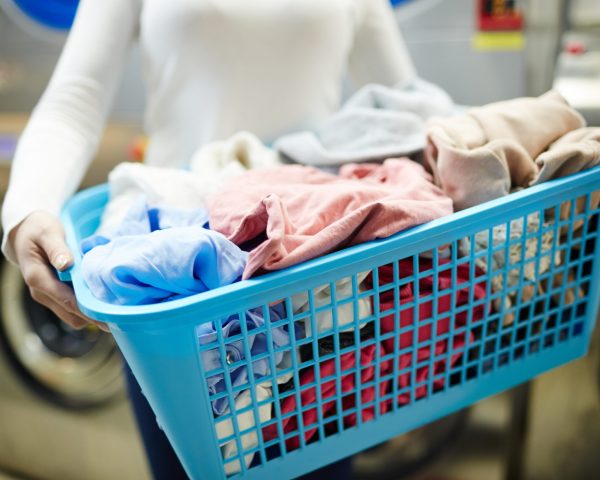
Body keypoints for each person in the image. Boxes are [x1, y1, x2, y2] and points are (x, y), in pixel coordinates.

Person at [1, 0, 417, 478]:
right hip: (176, 284)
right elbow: (76, 99)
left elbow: (405, 103)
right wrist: (28, 210)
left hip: (319, 279)